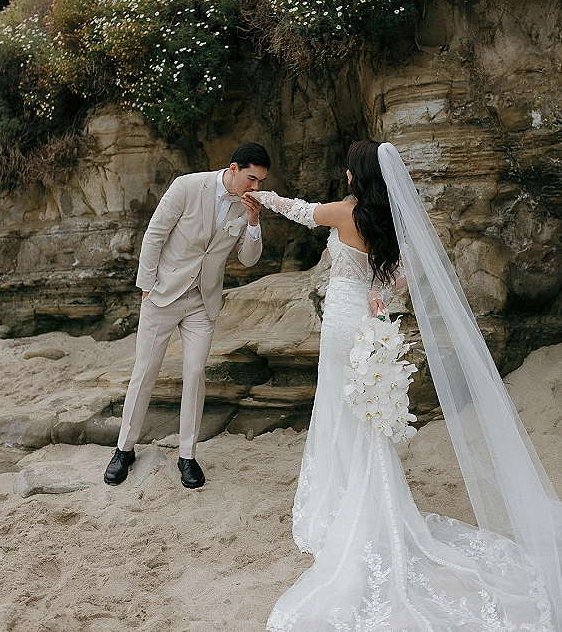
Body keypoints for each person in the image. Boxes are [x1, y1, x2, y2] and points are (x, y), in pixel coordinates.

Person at [248, 140, 562, 632]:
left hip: (341, 324)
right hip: (369, 324)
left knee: (337, 408)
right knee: (363, 415)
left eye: (349, 169)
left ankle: (350, 504)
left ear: (356, 175)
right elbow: (409, 270)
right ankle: (372, 500)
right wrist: (381, 292)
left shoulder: (343, 212)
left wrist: (258, 196)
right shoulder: (387, 220)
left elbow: (298, 210)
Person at [104, 142, 270, 489]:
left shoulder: (246, 207)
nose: (256, 188)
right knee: (145, 370)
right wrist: (147, 284)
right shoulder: (187, 186)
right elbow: (155, 234)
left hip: (203, 301)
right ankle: (123, 449)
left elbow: (249, 259)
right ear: (234, 167)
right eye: (252, 179)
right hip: (163, 293)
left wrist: (253, 221)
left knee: (194, 373)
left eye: (260, 182)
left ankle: (187, 456)